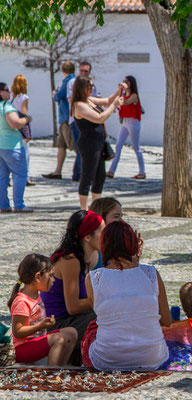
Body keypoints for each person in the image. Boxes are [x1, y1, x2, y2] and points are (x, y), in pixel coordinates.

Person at [82, 220, 171, 371]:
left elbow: (101, 313)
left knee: (92, 329)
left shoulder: (93, 278)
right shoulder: (151, 273)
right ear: (134, 244)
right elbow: (167, 321)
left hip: (107, 359)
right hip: (152, 358)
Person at [41, 210, 104, 365]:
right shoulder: (71, 260)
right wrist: (106, 298)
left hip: (75, 320)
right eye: (103, 232)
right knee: (108, 316)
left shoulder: (95, 255)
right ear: (87, 237)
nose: (107, 235)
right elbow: (73, 307)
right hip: (57, 324)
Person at [8, 254, 78, 365]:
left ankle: (61, 368)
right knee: (59, 339)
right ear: (38, 277)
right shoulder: (22, 301)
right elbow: (17, 332)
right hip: (22, 348)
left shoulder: (36, 296)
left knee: (72, 332)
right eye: (50, 275)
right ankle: (51, 374)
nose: (53, 280)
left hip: (35, 341)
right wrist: (40, 326)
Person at [71, 76, 123, 210]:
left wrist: (119, 91)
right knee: (87, 176)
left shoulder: (89, 100)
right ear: (82, 88)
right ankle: (83, 210)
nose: (92, 89)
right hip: (89, 144)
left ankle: (95, 208)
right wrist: (114, 106)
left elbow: (107, 101)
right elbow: (100, 118)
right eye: (90, 87)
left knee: (100, 177)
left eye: (92, 86)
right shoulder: (79, 105)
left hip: (98, 143)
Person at [0, 81, 33, 213]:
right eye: (7, 90)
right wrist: (26, 119)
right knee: (20, 174)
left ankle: (3, 205)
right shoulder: (6, 106)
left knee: (2, 176)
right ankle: (19, 205)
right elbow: (15, 123)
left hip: (1, 145)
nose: (9, 92)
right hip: (12, 146)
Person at [107, 76, 145, 179]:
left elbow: (125, 102)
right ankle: (111, 171)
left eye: (126, 82)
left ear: (131, 83)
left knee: (136, 147)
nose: (124, 83)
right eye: (124, 81)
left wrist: (121, 92)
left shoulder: (134, 96)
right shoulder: (123, 94)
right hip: (125, 122)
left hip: (133, 122)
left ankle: (142, 171)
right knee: (118, 146)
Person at [44, 61, 76, 181]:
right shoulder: (72, 80)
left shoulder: (68, 81)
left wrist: (54, 93)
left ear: (63, 70)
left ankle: (84, 170)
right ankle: (57, 171)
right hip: (64, 118)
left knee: (73, 145)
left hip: (66, 118)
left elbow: (59, 96)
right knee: (61, 145)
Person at [9, 75, 34, 186]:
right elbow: (24, 114)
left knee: (11, 153)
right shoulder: (24, 97)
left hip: (10, 126)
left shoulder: (10, 97)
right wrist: (27, 131)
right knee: (25, 153)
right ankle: (25, 177)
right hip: (20, 127)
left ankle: (9, 177)